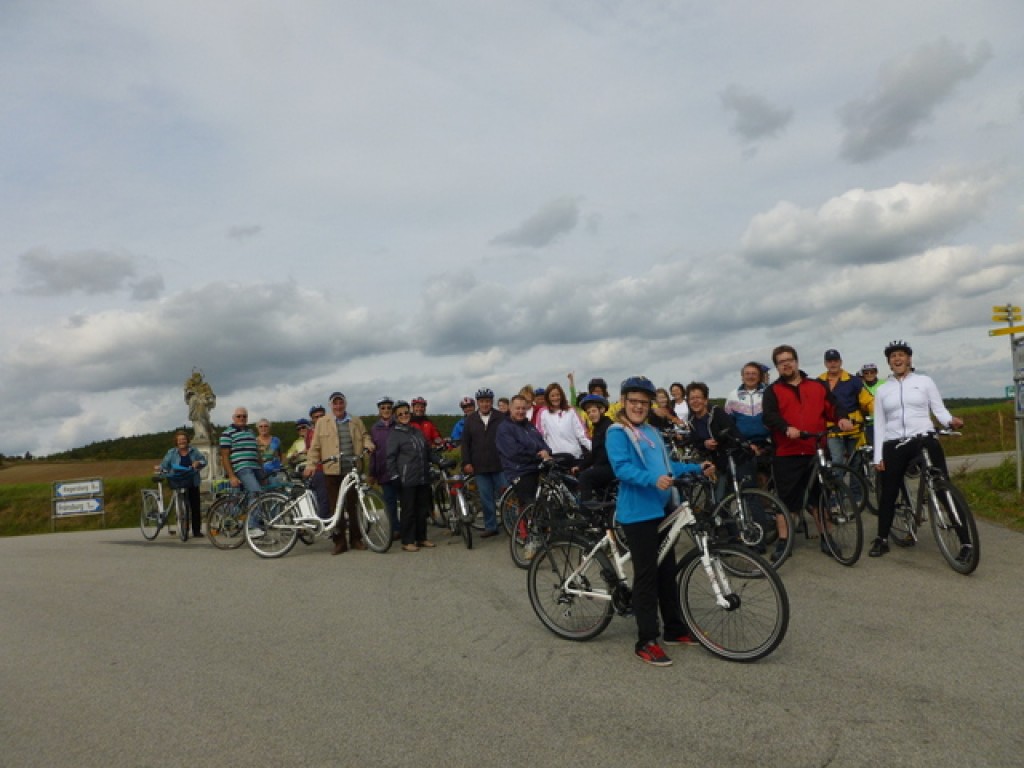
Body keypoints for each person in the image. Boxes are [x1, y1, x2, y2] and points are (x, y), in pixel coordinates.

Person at [605, 376, 710, 666]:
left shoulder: (651, 431)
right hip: (638, 513)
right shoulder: (617, 432)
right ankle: (646, 640)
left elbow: (667, 466)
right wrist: (653, 479)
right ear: (623, 402)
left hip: (662, 509)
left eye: (644, 402)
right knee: (647, 575)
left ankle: (674, 629)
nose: (639, 406)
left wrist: (696, 467)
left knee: (667, 571)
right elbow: (622, 468)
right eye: (633, 401)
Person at [869, 340, 965, 559]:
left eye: (901, 355)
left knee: (943, 489)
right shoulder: (883, 390)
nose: (897, 359)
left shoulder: (924, 382)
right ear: (889, 363)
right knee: (889, 492)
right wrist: (877, 456)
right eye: (893, 356)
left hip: (923, 438)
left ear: (909, 359)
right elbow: (880, 425)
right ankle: (882, 539)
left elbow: (939, 410)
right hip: (894, 443)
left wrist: (950, 421)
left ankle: (966, 542)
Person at [762, 346, 855, 561]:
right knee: (787, 499)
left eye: (789, 360)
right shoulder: (772, 391)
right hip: (787, 452)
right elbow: (769, 416)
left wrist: (842, 418)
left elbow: (834, 406)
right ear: (777, 367)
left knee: (820, 496)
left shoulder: (817, 386)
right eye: (781, 362)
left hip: (816, 450)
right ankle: (784, 541)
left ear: (796, 361)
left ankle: (826, 538)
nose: (786, 364)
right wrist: (786, 427)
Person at [305, 391, 375, 554]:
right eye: (335, 403)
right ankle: (339, 542)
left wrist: (368, 444)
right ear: (330, 405)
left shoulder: (356, 421)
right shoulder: (322, 422)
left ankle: (356, 539)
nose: (338, 406)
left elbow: (365, 436)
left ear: (345, 404)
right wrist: (311, 465)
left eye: (341, 402)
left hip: (352, 470)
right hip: (332, 471)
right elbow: (315, 446)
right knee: (335, 507)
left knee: (354, 506)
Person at [387, 400, 437, 552]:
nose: (404, 416)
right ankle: (407, 541)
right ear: (396, 417)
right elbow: (390, 457)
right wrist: (394, 475)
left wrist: (440, 460)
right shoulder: (395, 434)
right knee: (408, 511)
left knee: (422, 509)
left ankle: (421, 538)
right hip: (406, 478)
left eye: (406, 413)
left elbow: (427, 451)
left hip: (422, 475)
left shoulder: (417, 431)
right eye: (400, 414)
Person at [460, 388, 507, 538]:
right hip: (480, 466)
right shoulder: (470, 420)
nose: (485, 404)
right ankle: (491, 526)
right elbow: (465, 443)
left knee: (507, 497)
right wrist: (466, 462)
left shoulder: (501, 417)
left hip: (499, 464)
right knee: (486, 499)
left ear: (492, 402)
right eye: (482, 401)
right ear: (478, 403)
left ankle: (513, 525)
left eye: (487, 401)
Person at [684, 381, 744, 501]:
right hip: (708, 460)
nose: (695, 401)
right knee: (712, 495)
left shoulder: (717, 413)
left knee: (721, 496)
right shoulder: (691, 420)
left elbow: (732, 432)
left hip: (725, 458)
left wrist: (718, 441)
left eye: (698, 397)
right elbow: (695, 441)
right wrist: (704, 444)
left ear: (705, 400)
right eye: (692, 398)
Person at [817, 349, 873, 469]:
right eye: (830, 361)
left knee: (856, 462)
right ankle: (838, 482)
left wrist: (878, 413)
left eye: (835, 361)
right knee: (837, 461)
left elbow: (868, 401)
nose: (833, 364)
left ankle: (857, 482)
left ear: (840, 362)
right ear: (825, 364)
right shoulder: (819, 382)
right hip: (832, 430)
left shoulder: (854, 381)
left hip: (854, 428)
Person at [496, 394, 552, 508]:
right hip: (520, 471)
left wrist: (547, 452)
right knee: (531, 506)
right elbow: (514, 453)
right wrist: (539, 456)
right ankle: (527, 518)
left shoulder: (529, 425)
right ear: (510, 408)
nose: (521, 411)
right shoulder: (504, 428)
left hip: (537, 467)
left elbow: (541, 442)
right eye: (518, 408)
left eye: (523, 408)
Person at [158, 430, 207, 539]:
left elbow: (204, 461)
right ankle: (184, 529)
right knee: (182, 506)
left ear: (187, 440)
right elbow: (165, 465)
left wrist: (198, 463)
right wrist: (160, 468)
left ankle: (196, 531)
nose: (182, 441)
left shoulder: (194, 451)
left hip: (192, 480)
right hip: (179, 481)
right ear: (176, 442)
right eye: (179, 440)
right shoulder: (172, 452)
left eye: (184, 439)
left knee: (195, 506)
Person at [536, 381, 591, 467]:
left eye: (558, 395)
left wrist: (593, 448)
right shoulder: (543, 413)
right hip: (555, 458)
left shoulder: (571, 411)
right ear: (548, 397)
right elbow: (540, 436)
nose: (555, 398)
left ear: (562, 396)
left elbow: (581, 434)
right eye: (552, 396)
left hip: (575, 456)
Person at [368, 396, 401, 537]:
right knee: (390, 503)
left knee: (405, 501)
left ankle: (408, 528)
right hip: (384, 471)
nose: (386, 410)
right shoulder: (375, 429)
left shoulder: (398, 425)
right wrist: (372, 473)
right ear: (379, 410)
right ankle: (395, 529)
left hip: (400, 470)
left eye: (388, 408)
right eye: (383, 408)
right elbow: (373, 453)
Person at [577, 394, 614, 502]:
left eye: (593, 411)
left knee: (585, 477)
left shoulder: (608, 427)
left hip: (611, 467)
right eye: (588, 412)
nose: (591, 415)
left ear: (601, 410)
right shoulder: (598, 428)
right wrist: (580, 466)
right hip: (603, 466)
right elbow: (595, 453)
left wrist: (589, 467)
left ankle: (586, 510)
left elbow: (602, 454)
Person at [219, 407, 263, 493]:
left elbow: (257, 453)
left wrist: (262, 470)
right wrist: (231, 476)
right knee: (256, 493)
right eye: (238, 416)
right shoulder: (227, 433)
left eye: (244, 416)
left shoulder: (251, 432)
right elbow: (225, 457)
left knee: (269, 491)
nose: (242, 418)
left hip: (256, 467)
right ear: (233, 418)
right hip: (242, 468)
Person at [305, 405, 329, 519]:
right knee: (323, 498)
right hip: (319, 469)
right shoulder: (311, 433)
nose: (319, 419)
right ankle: (324, 521)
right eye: (316, 417)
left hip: (332, 467)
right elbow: (311, 450)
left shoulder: (330, 428)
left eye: (321, 416)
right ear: (312, 419)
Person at [858, 363, 883, 445]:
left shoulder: (884, 384)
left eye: (872, 372)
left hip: (884, 422)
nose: (869, 374)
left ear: (876, 372)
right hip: (869, 424)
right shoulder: (859, 386)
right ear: (862, 374)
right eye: (866, 373)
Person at [255, 418, 286, 484]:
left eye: (266, 426)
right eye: (261, 426)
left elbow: (282, 454)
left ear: (269, 428)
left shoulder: (276, 440)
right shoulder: (254, 442)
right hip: (261, 474)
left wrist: (282, 465)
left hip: (276, 472)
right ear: (257, 428)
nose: (263, 428)